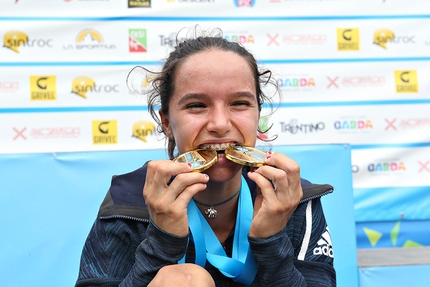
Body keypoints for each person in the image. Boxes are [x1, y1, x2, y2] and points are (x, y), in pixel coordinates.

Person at [75, 27, 336, 287]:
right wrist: (161, 244)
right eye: (197, 105)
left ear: (258, 114)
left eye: (240, 103)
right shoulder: (126, 204)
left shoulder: (293, 199)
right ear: (166, 122)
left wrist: (271, 241)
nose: (220, 124)